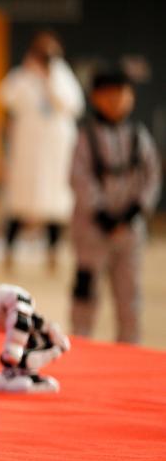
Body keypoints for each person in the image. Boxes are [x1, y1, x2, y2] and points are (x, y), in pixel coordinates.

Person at [70, 71, 162, 344]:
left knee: (129, 293)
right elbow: (79, 176)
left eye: (122, 95)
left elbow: (151, 176)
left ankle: (129, 345)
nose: (116, 101)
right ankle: (81, 340)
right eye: (109, 95)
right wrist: (100, 213)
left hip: (129, 231)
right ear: (96, 98)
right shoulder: (86, 137)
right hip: (92, 229)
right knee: (86, 290)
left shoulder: (138, 136)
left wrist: (134, 211)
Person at [0, 30, 84, 270]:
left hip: (56, 151)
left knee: (54, 204)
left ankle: (52, 251)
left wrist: (51, 75)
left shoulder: (63, 77)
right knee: (18, 202)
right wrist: (30, 72)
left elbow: (72, 104)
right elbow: (6, 96)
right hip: (28, 150)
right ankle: (9, 251)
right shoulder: (23, 76)